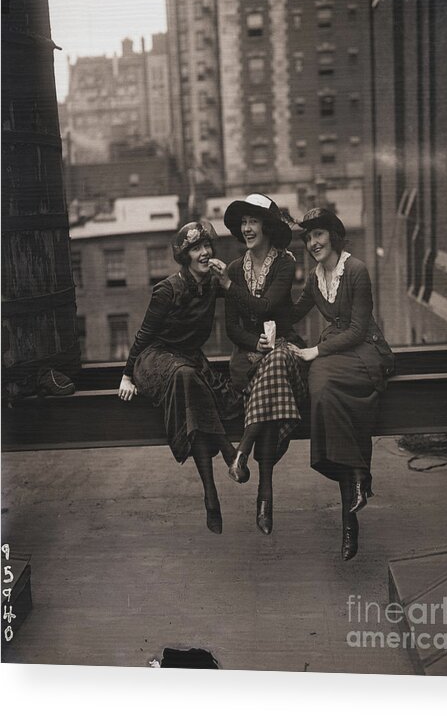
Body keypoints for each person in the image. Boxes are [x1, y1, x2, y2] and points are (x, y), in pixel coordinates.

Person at [118, 221, 243, 535]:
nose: (204, 253)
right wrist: (126, 374)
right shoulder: (167, 289)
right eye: (195, 249)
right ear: (184, 256)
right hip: (155, 358)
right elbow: (144, 335)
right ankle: (229, 450)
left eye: (206, 247)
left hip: (188, 359)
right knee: (187, 378)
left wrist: (228, 281)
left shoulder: (213, 284)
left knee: (193, 398)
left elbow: (245, 303)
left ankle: (211, 496)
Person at [287, 208, 394, 561]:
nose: (313, 243)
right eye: (308, 238)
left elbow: (359, 330)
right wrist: (238, 292)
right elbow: (290, 312)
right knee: (320, 392)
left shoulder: (357, 271)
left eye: (318, 235)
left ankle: (350, 522)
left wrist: (314, 350)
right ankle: (359, 478)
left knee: (334, 390)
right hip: (333, 352)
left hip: (364, 350)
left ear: (333, 235)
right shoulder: (315, 278)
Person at [208, 193, 306, 535]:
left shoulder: (286, 263)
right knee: (269, 373)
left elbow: (266, 308)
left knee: (277, 360)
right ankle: (265, 497)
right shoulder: (235, 268)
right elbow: (233, 327)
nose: (247, 228)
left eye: (254, 221)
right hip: (249, 357)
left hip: (284, 348)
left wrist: (229, 287)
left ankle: (242, 453)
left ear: (267, 226)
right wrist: (254, 343)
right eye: (244, 223)